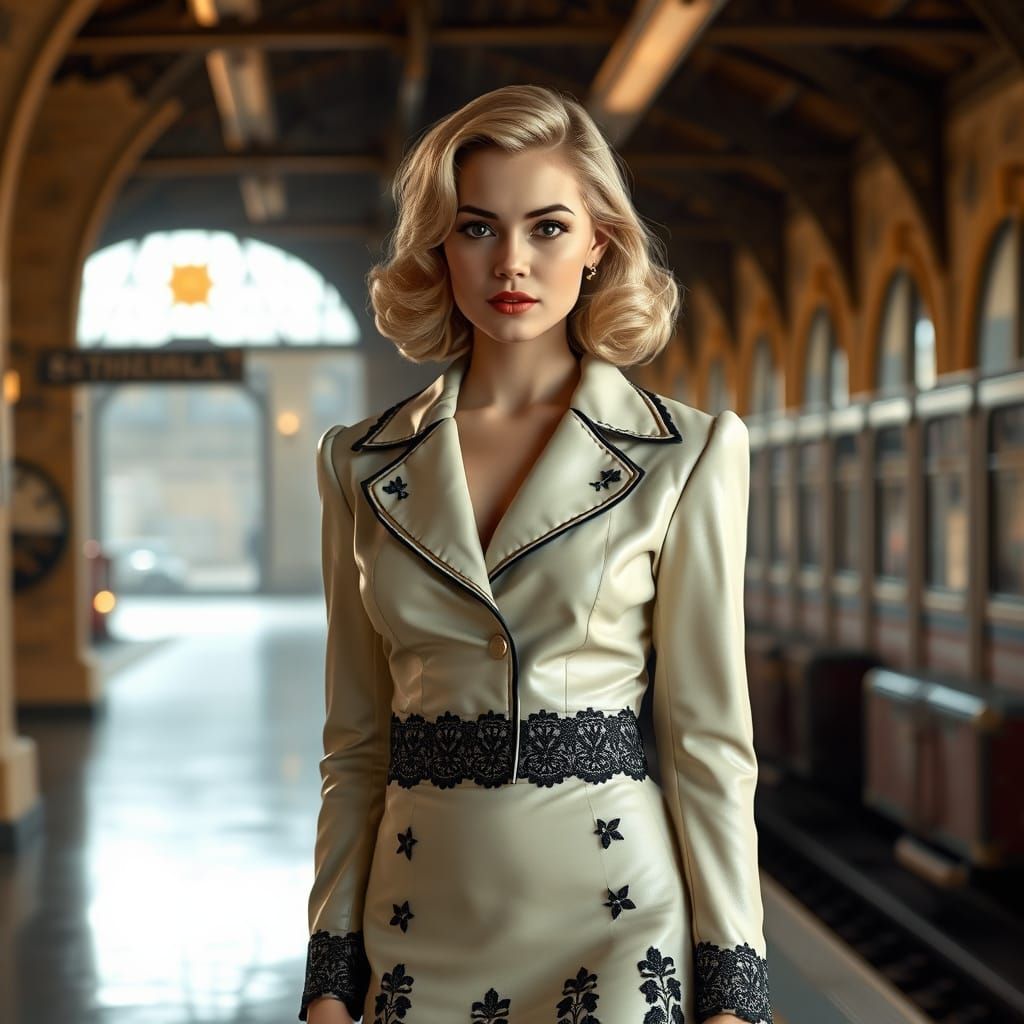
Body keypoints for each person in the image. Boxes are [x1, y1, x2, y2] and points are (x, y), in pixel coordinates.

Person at [299, 83, 772, 1024]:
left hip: (619, 922)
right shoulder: (358, 462)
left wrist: (735, 988)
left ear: (599, 241)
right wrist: (327, 971)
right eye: (477, 228)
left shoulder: (687, 454)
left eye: (548, 227)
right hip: (412, 922)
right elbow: (355, 746)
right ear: (440, 244)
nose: (511, 261)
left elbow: (708, 744)